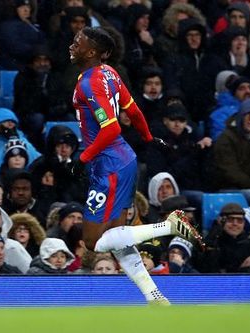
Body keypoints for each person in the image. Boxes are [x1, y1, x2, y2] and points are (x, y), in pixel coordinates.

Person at [69, 26, 203, 305]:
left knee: (94, 242)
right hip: (123, 159)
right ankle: (154, 296)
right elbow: (133, 110)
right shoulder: (110, 73)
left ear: (91, 52)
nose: (72, 45)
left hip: (109, 165)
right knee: (119, 239)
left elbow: (110, 128)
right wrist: (147, 137)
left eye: (78, 42)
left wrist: (82, 158)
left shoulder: (90, 82)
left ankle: (169, 226)